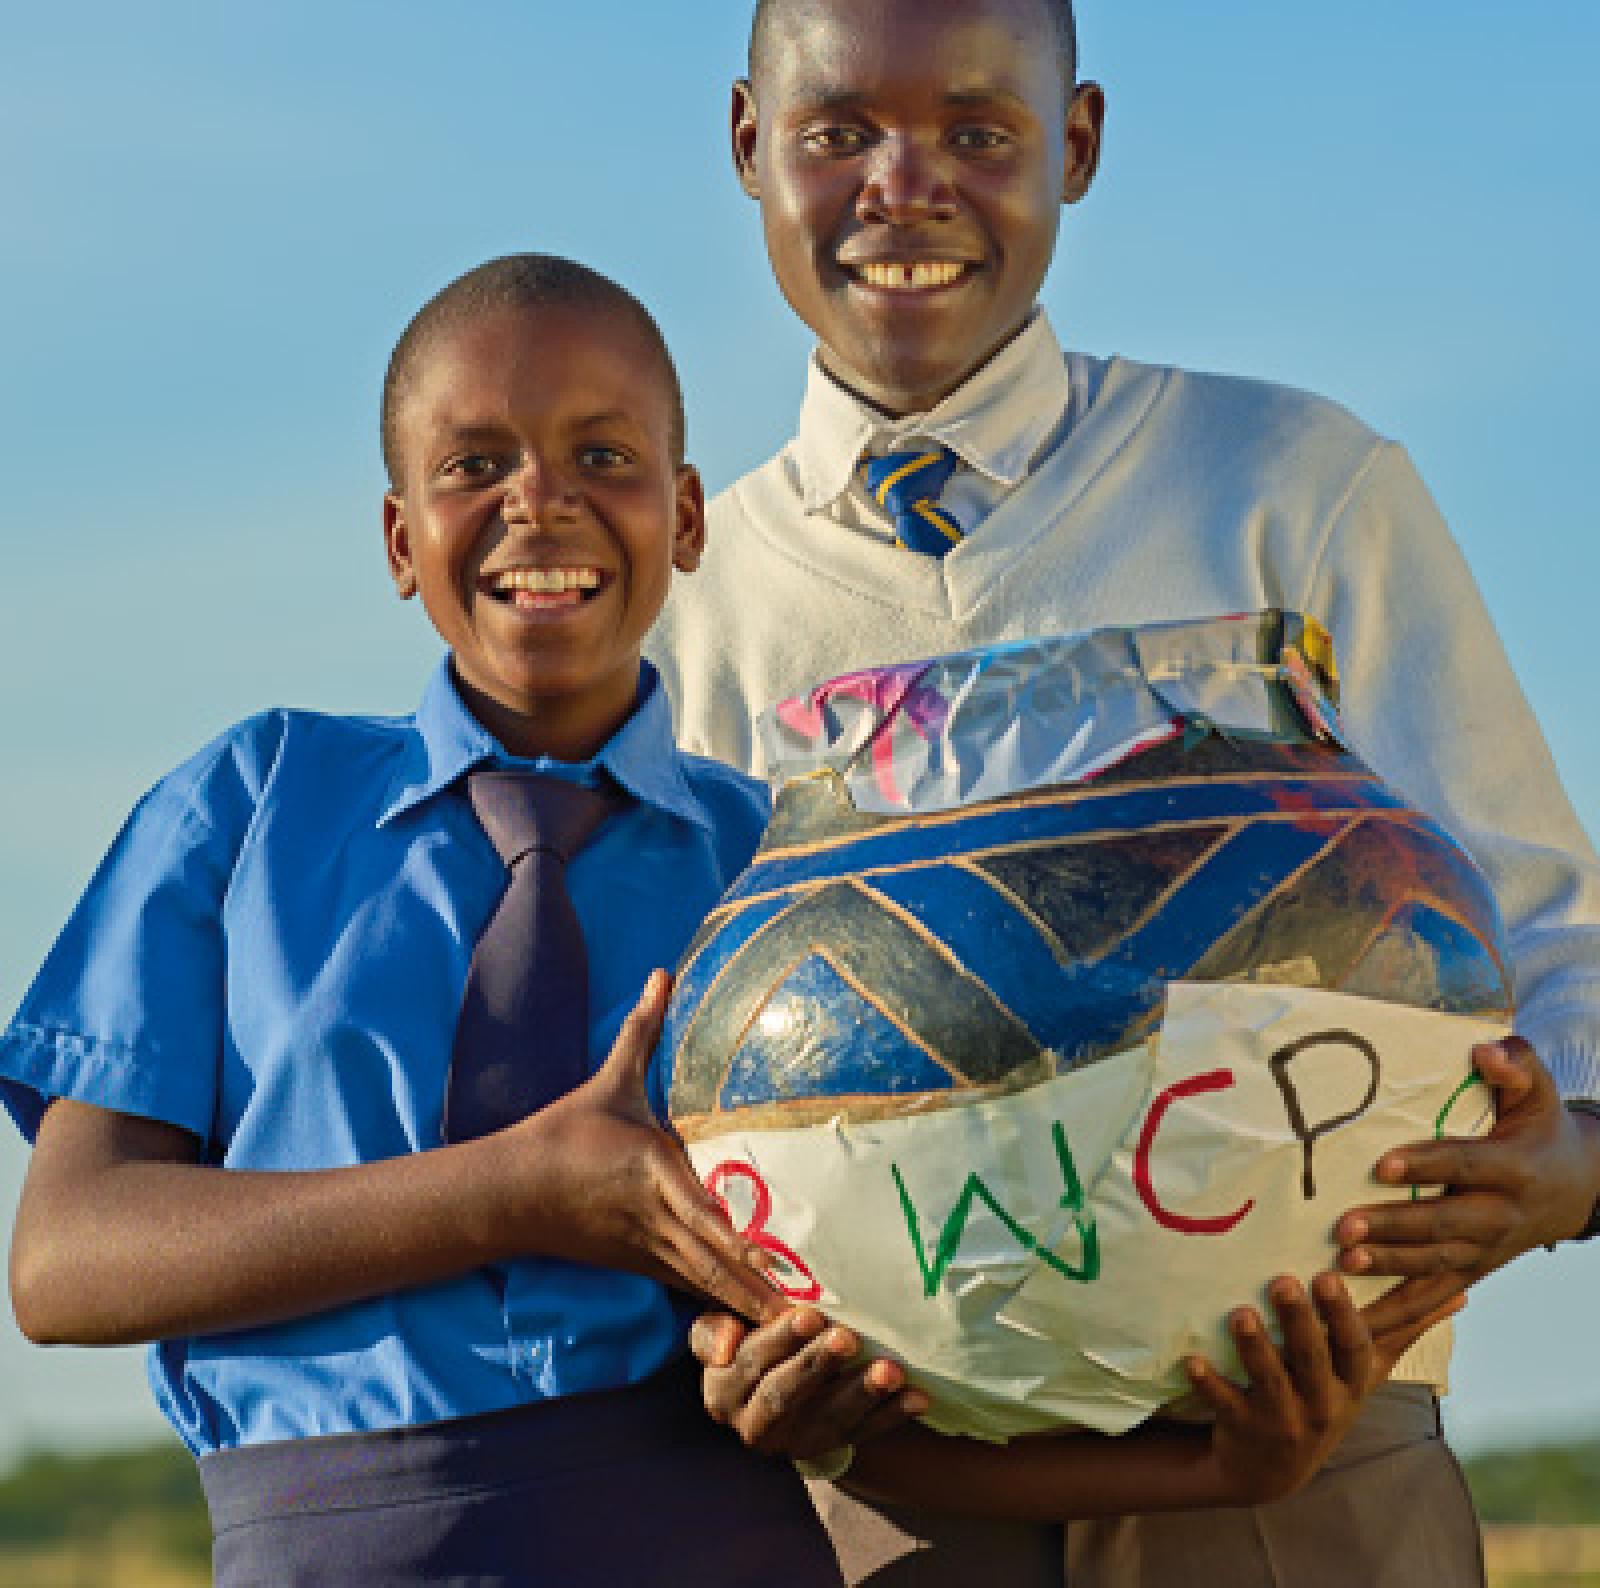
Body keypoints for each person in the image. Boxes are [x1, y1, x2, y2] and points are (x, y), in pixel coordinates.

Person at [642, 0, 1600, 1582]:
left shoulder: (1293, 486)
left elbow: (1550, 929)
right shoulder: (690, 605)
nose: (906, 186)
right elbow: (661, 1079)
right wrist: (725, 1344)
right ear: (748, 143)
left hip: (1322, 1456)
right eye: (836, 134)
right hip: (886, 1494)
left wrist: (1570, 1164)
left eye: (978, 132)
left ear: (1075, 145)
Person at [0, 253, 849, 1587]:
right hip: (331, 1548)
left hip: (708, 1535)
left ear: (687, 517)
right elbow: (64, 1263)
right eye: (474, 465)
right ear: (401, 540)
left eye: (604, 455)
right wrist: (518, 1191)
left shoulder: (788, 866)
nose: (540, 503)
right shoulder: (251, 805)